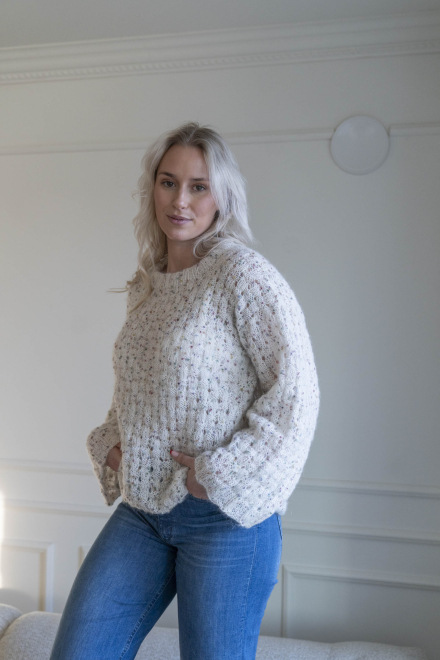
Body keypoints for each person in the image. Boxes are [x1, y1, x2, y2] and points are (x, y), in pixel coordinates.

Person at [49, 122, 320, 660]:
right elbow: (138, 392)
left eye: (199, 186)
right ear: (152, 188)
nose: (180, 200)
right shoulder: (147, 285)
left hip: (226, 520)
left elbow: (297, 396)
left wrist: (216, 473)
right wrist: (112, 443)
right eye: (168, 182)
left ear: (222, 197)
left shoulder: (244, 276)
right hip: (144, 511)